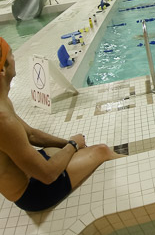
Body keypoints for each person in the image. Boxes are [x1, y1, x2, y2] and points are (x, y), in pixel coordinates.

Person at [0, 37, 124, 212]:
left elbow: (32, 135)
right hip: (32, 193)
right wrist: (73, 145)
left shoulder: (2, 101)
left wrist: (67, 144)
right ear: (3, 69)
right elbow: (48, 174)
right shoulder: (3, 120)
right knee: (101, 150)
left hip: (33, 171)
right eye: (11, 54)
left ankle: (123, 160)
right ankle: (140, 164)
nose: (15, 58)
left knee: (63, 150)